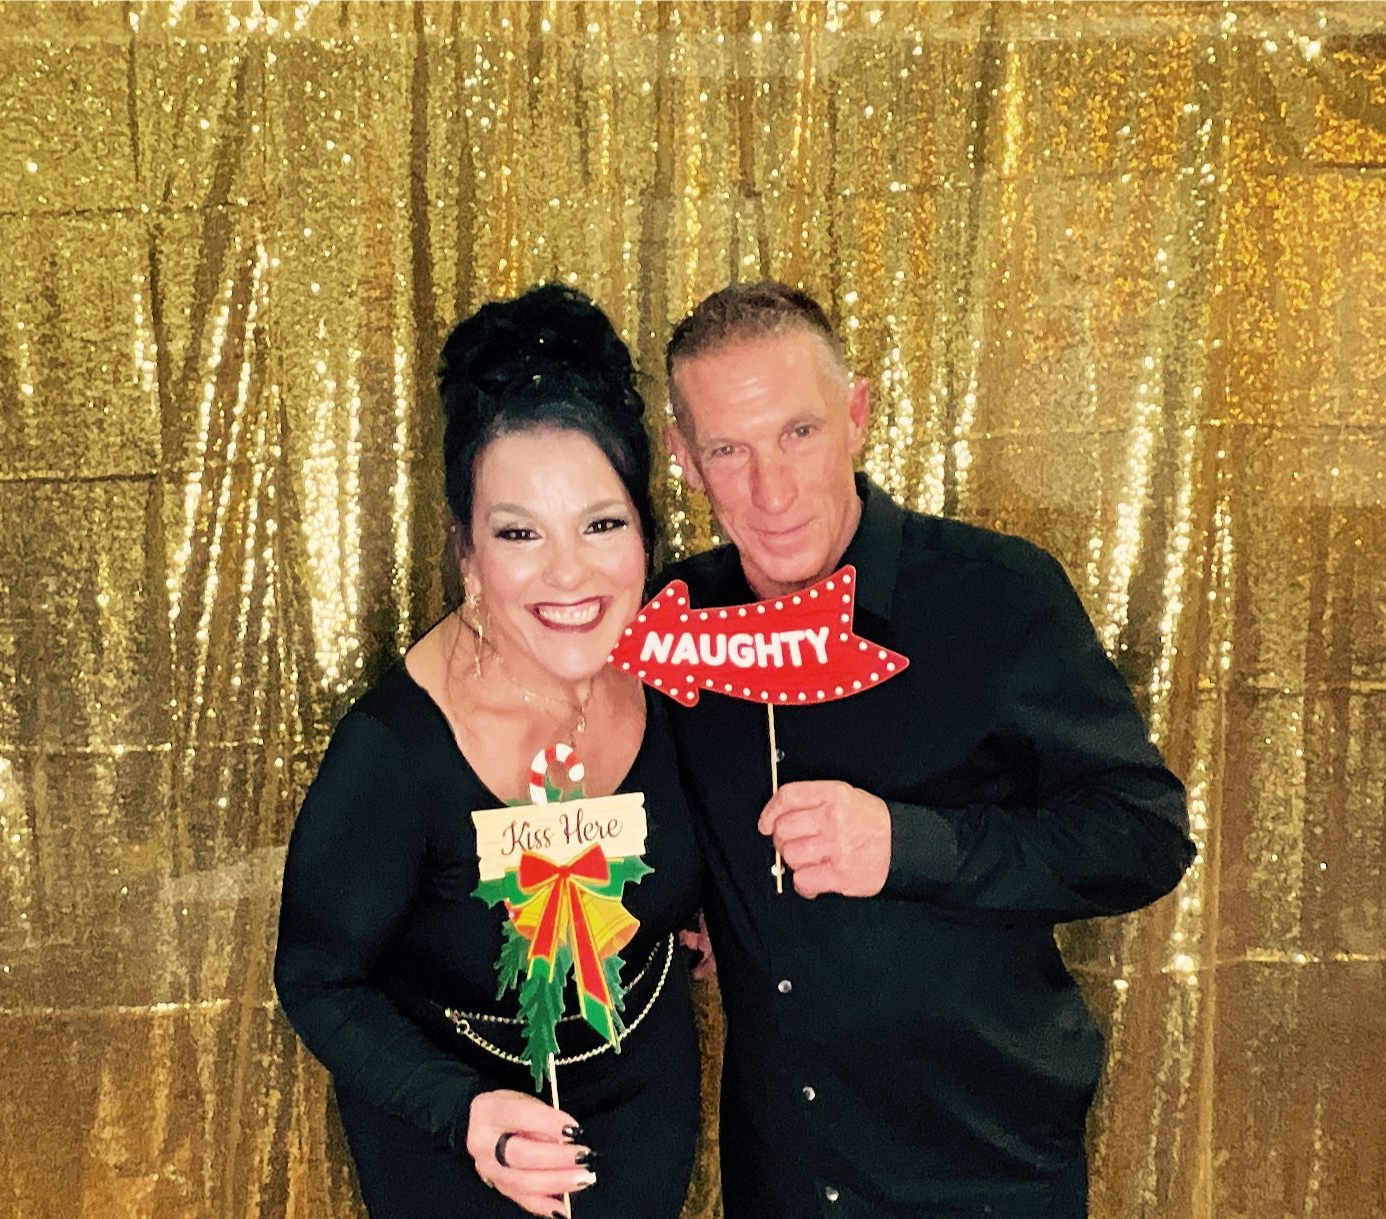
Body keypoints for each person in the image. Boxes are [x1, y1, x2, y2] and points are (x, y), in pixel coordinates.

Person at [658, 282, 1195, 1219]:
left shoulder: (999, 595)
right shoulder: (674, 624)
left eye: (798, 433)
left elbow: (1143, 835)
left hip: (981, 1171)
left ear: (857, 415)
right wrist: (677, 900)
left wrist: (909, 845)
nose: (771, 491)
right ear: (684, 459)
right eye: (727, 450)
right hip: (786, 1178)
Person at [275, 285, 701, 1219]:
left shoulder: (678, 677)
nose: (568, 573)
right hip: (451, 1138)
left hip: (643, 1099)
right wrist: (463, 1112)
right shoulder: (394, 750)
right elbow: (317, 979)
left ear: (645, 529)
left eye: (601, 523)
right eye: (519, 532)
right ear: (467, 551)